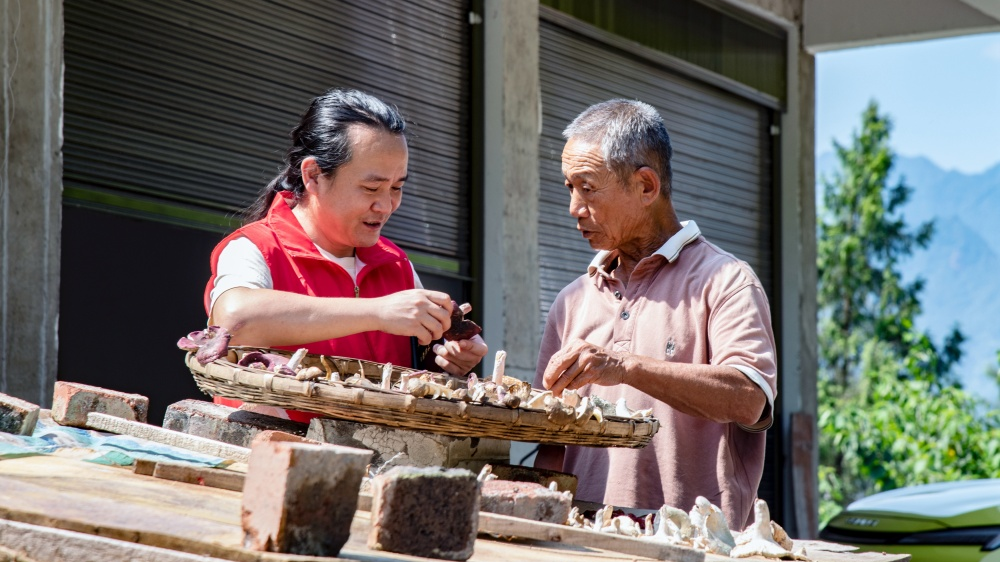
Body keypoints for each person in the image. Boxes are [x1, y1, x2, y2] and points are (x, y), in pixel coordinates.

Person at [532, 99, 776, 530]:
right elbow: (549, 436)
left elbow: (749, 397)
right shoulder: (572, 300)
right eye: (568, 188)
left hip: (695, 547)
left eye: (587, 188)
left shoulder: (726, 281)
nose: (573, 207)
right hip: (583, 542)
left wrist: (624, 367)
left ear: (646, 186)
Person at [204, 88, 488, 421]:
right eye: (371, 188)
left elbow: (423, 376)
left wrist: (451, 363)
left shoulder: (397, 265)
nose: (386, 205)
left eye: (397, 187)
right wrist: (378, 311)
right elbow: (234, 320)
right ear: (313, 176)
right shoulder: (255, 248)